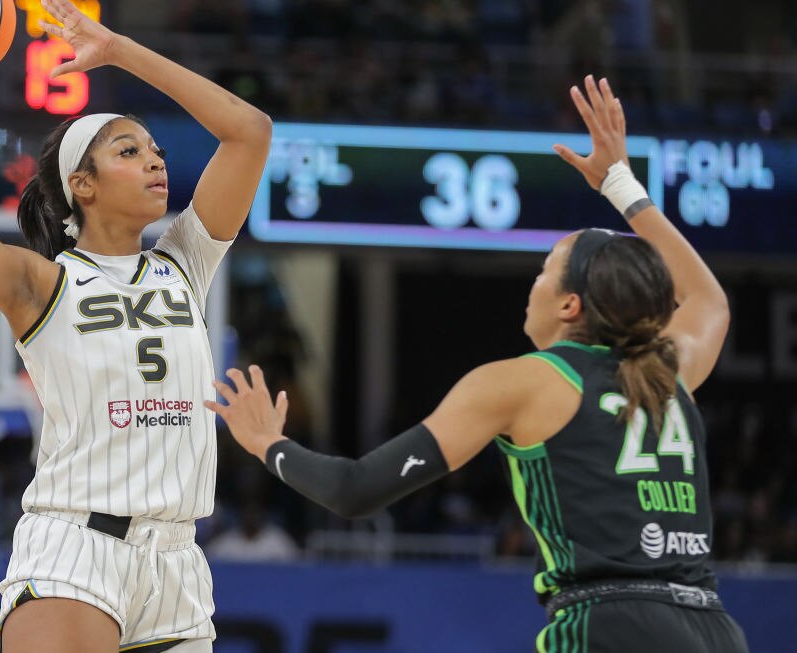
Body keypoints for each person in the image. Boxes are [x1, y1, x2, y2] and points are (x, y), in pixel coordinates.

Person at [207, 76, 749, 652]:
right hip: (714, 627)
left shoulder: (524, 382)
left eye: (545, 270)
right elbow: (708, 301)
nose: (533, 282)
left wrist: (269, 443)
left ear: (569, 305)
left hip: (609, 627)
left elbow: (356, 489)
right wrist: (622, 186)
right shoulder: (668, 370)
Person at [0, 0, 272, 653]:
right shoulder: (43, 282)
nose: (153, 160)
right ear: (81, 186)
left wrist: (117, 51)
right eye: (128, 151)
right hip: (75, 548)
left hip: (176, 562)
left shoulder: (185, 263)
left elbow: (249, 131)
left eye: (156, 151)